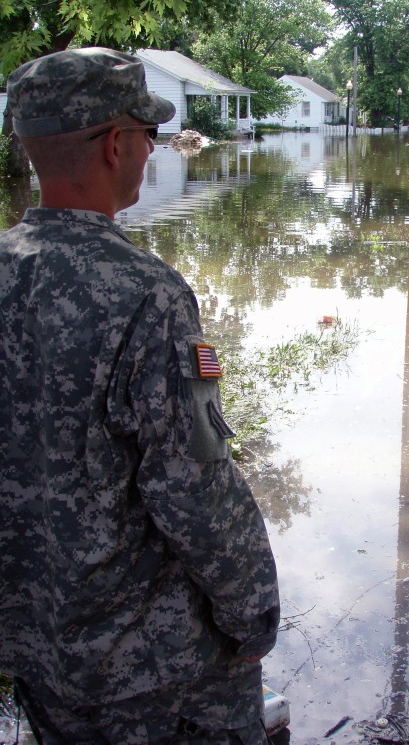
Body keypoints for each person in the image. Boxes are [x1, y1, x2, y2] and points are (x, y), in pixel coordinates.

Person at [0, 48, 280, 744]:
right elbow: (197, 484)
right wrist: (253, 616)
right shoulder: (148, 295)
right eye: (147, 134)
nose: (152, 149)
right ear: (117, 144)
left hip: (34, 642)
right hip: (149, 668)